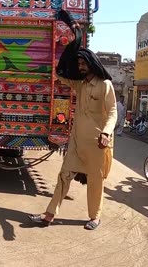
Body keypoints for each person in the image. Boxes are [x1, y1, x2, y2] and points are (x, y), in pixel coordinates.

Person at [28, 22, 118, 230]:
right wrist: (71, 44)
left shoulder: (105, 85)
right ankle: (49, 214)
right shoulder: (80, 84)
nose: (80, 67)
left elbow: (113, 112)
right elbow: (60, 73)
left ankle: (94, 217)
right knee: (64, 175)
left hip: (97, 143)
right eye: (78, 64)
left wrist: (106, 133)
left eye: (82, 63)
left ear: (91, 63)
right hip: (76, 142)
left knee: (95, 181)